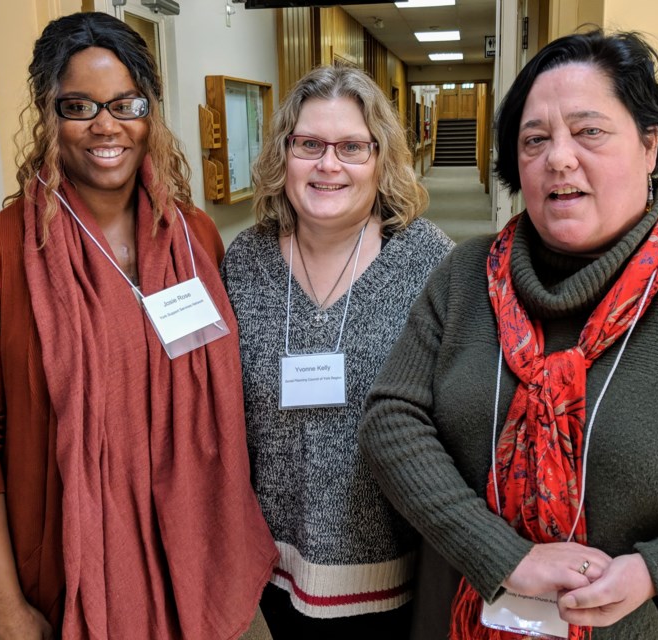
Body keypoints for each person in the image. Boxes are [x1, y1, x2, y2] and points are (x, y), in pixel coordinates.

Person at [359, 28, 658, 640]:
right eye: (535, 140)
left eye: (589, 132)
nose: (559, 157)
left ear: (648, 144)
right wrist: (504, 556)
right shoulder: (464, 275)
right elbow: (391, 420)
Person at [0, 12, 277, 639]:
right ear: (46, 114)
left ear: (151, 111)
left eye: (126, 103)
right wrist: (4, 606)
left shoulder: (193, 236)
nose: (106, 126)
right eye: (79, 106)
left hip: (210, 564)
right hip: (75, 586)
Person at [219, 65, 455, 638]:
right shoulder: (244, 262)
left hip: (396, 572)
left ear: (381, 157)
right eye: (309, 145)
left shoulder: (431, 263)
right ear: (284, 154)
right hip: (274, 570)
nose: (329, 165)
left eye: (352, 146)